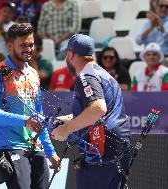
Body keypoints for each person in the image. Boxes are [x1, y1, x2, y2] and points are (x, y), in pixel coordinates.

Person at [0, 23, 60, 189]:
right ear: (10, 46)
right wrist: (24, 120)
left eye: (31, 45)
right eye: (23, 45)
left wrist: (50, 151)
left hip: (35, 145)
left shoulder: (33, 73)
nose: (28, 49)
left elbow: (38, 116)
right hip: (10, 146)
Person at [51, 34, 132, 189]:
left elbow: (98, 109)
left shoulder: (85, 76)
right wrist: (61, 122)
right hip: (120, 147)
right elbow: (94, 113)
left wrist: (66, 129)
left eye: (67, 54)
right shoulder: (105, 75)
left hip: (103, 148)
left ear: (71, 54)